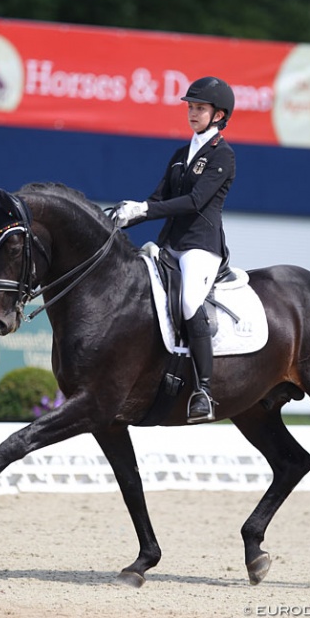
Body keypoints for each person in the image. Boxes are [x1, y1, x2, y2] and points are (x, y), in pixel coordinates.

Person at [114, 76, 236, 424]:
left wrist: (147, 210)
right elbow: (157, 200)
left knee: (188, 303)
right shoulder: (181, 154)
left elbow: (196, 201)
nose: (192, 113)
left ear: (218, 115)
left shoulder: (223, 156)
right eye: (190, 107)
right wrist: (122, 218)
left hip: (201, 245)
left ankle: (205, 391)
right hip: (170, 244)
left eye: (200, 108)